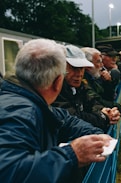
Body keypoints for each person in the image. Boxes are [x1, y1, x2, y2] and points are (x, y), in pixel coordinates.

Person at [0, 39, 113, 183]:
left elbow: (65, 119)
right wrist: (71, 155)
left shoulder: (26, 101)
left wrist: (96, 135)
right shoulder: (21, 109)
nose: (79, 74)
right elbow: (7, 172)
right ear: (58, 81)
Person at [52, 45, 121, 133]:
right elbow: (72, 117)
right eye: (74, 68)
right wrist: (103, 117)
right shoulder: (54, 90)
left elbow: (92, 102)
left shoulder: (80, 86)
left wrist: (104, 111)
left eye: (82, 68)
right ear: (60, 67)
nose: (79, 74)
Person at [81, 47, 121, 115]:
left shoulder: (96, 77)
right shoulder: (83, 79)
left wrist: (107, 82)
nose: (102, 65)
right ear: (87, 64)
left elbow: (108, 97)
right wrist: (118, 107)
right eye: (98, 62)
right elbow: (95, 100)